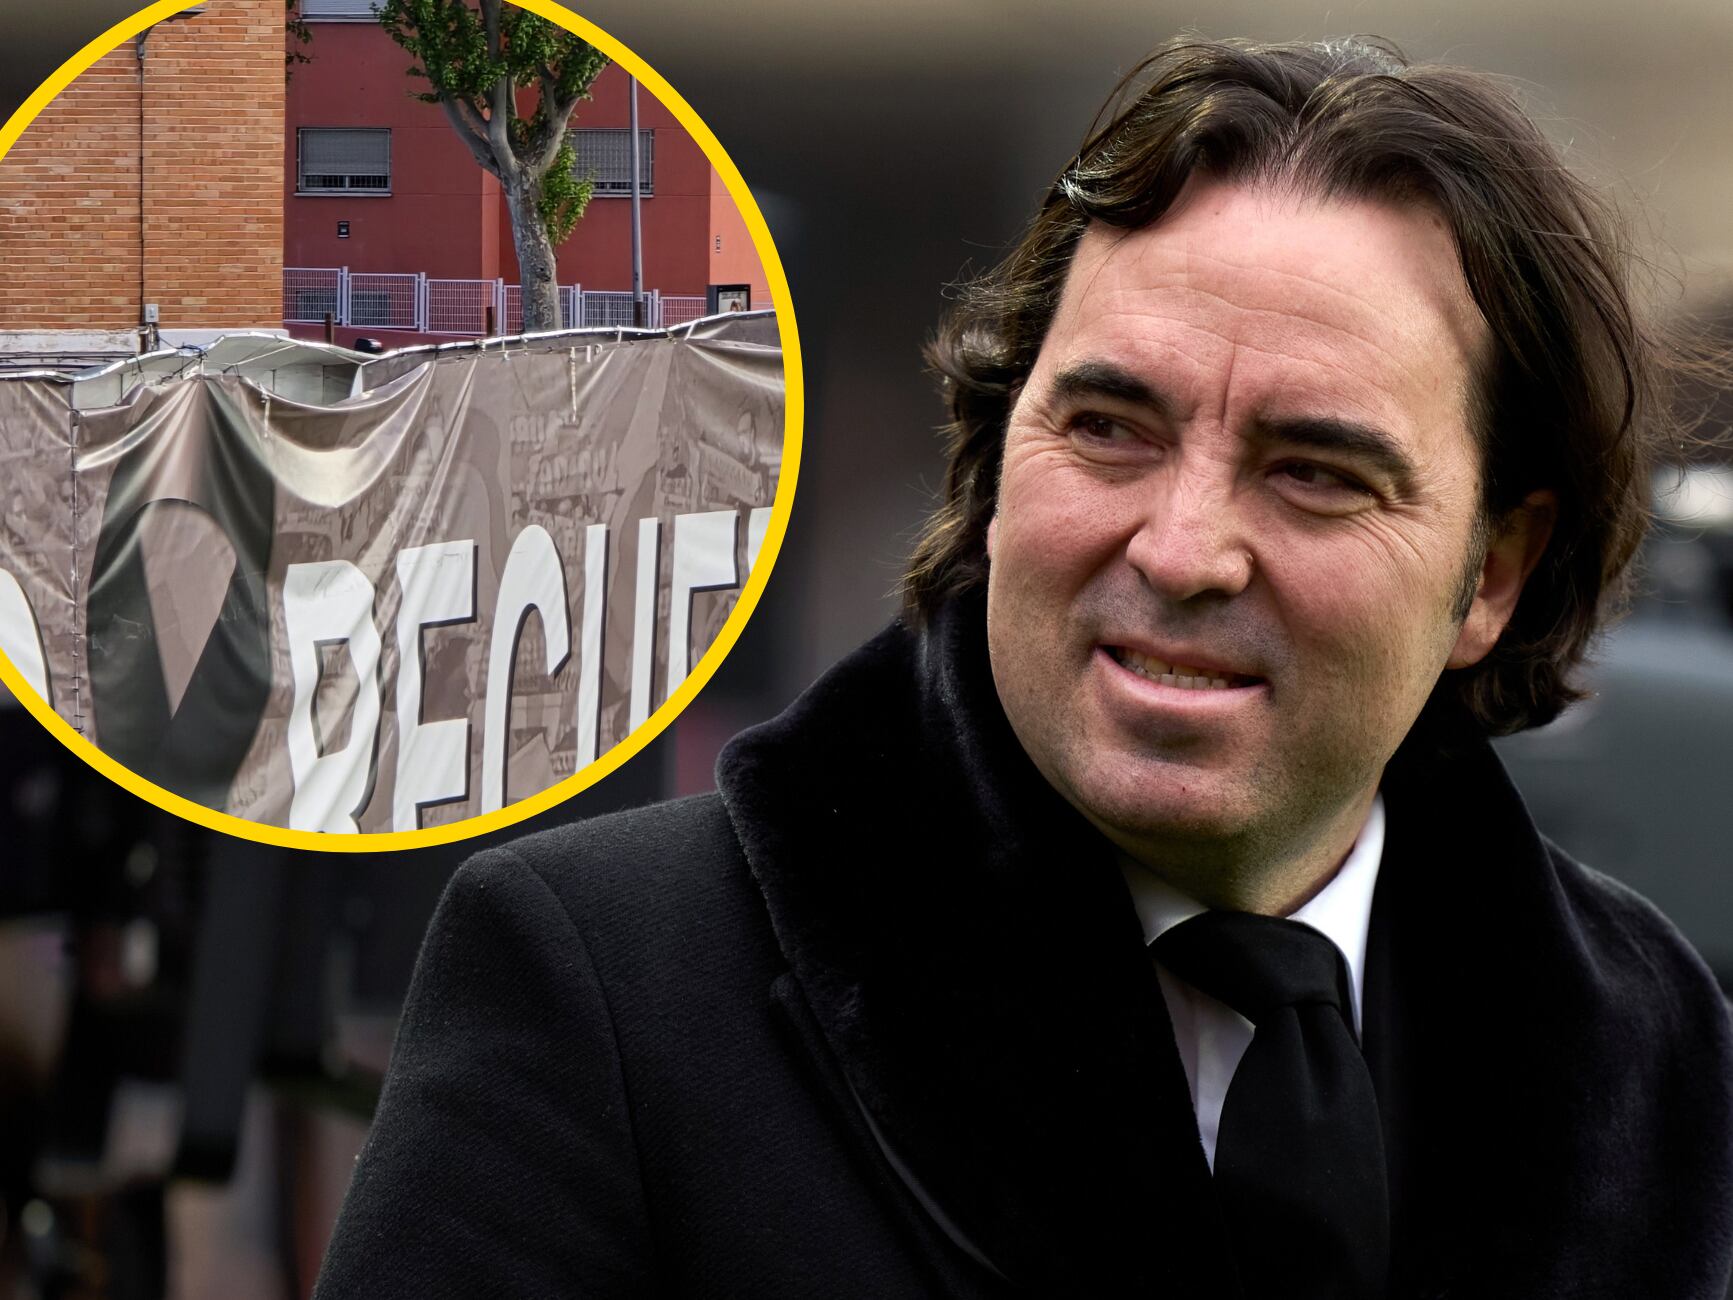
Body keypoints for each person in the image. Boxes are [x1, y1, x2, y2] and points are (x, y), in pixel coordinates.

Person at [315, 37, 1733, 1299]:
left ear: (1492, 571)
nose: (1182, 550)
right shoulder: (606, 982)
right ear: (996, 459)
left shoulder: (1652, 1058)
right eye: (1110, 428)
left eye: (1311, 472)